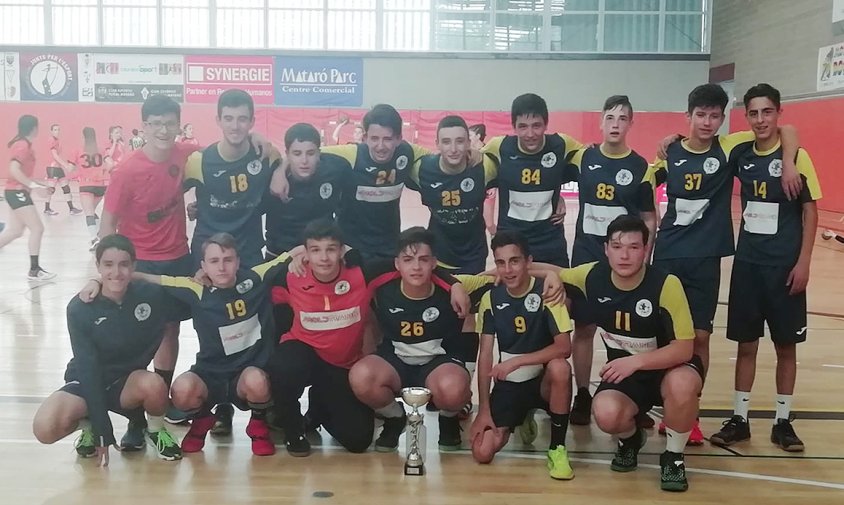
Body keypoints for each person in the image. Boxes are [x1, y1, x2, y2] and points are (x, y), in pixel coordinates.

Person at [650, 83, 802, 443]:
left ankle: (692, 413)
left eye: (715, 116)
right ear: (688, 117)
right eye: (700, 115)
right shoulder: (669, 152)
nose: (707, 122)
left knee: (700, 338)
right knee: (666, 337)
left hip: (706, 259)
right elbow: (642, 193)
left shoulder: (729, 148)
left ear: (722, 119)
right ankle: (664, 407)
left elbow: (787, 130)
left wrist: (790, 162)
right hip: (669, 255)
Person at [266, 219, 470, 456]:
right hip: (305, 356)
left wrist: (454, 284)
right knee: (285, 364)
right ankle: (293, 429)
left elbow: (413, 267)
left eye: (331, 249)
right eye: (315, 250)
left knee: (358, 440)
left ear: (343, 251)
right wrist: (287, 258)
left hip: (341, 367)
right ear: (306, 253)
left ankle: (320, 406)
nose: (324, 258)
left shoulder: (363, 272)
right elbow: (253, 282)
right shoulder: (289, 276)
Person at [710, 83, 822, 453]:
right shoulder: (740, 150)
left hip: (785, 269)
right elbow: (700, 134)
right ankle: (740, 419)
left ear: (778, 113)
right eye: (754, 113)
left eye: (767, 112)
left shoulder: (798, 156)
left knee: (785, 347)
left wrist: (804, 261)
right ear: (747, 117)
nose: (761, 120)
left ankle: (783, 422)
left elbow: (810, 211)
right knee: (746, 345)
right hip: (748, 267)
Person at [554, 215, 701, 492]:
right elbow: (543, 270)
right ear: (606, 249)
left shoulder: (666, 284)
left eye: (634, 247)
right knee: (606, 413)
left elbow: (685, 348)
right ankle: (630, 439)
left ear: (646, 250)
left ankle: (673, 457)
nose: (624, 255)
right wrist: (552, 276)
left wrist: (636, 361)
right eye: (617, 246)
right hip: (629, 374)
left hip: (670, 367)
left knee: (682, 385)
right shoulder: (592, 276)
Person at [99, 95, 203, 429]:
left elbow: (223, 154)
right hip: (141, 265)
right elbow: (107, 225)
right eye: (155, 123)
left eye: (169, 122)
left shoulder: (187, 153)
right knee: (141, 335)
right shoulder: (127, 171)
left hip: (178, 259)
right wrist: (106, 273)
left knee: (170, 329)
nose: (163, 129)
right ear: (144, 126)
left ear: (178, 125)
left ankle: (162, 398)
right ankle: (136, 416)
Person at [129, 233, 285, 456]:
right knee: (182, 391)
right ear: (203, 266)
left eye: (228, 259)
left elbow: (290, 256)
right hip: (210, 374)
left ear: (238, 261)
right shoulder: (195, 288)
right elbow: (150, 278)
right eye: (214, 261)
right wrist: (98, 281)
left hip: (245, 376)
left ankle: (257, 426)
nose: (221, 267)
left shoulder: (255, 278)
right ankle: (202, 421)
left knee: (258, 381)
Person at [32, 235, 182, 465]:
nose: (117, 272)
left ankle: (155, 430)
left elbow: (185, 290)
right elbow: (87, 368)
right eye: (108, 265)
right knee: (45, 428)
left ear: (134, 266)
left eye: (124, 264)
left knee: (154, 385)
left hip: (126, 384)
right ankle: (89, 423)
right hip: (87, 380)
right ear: (98, 267)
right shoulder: (80, 308)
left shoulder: (151, 296)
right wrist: (103, 428)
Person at [348, 227, 495, 452]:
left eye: (423, 260)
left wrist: (455, 284)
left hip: (438, 363)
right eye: (408, 260)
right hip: (394, 360)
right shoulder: (380, 283)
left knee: (454, 389)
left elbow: (500, 277)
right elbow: (342, 263)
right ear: (397, 264)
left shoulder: (457, 286)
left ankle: (448, 418)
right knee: (360, 376)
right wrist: (298, 253)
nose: (416, 267)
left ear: (435, 263)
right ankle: (395, 418)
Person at [564, 95, 658, 427]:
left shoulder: (640, 167)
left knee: (632, 329)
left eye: (622, 118)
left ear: (631, 124)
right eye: (610, 117)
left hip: (625, 260)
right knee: (585, 327)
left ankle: (636, 395)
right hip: (588, 256)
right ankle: (583, 393)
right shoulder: (582, 158)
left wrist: (645, 252)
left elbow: (649, 215)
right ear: (601, 122)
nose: (615, 124)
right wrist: (556, 205)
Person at [408, 115, 499, 416]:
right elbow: (399, 152)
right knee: (444, 317)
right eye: (446, 141)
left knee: (468, 319)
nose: (454, 148)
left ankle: (463, 389)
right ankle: (440, 382)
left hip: (472, 256)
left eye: (460, 141)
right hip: (439, 257)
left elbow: (510, 162)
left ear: (469, 142)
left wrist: (557, 201)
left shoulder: (483, 166)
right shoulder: (423, 168)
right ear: (436, 144)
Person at [470, 230, 574, 480]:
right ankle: (522, 417)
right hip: (511, 386)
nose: (508, 270)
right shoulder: (490, 299)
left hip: (543, 382)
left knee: (560, 367)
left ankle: (557, 449)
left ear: (528, 261)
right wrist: (483, 409)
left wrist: (518, 360)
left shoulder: (549, 292)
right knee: (482, 452)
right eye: (501, 263)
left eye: (514, 261)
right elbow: (485, 356)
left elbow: (564, 347)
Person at [271, 104, 431, 262]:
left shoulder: (408, 152)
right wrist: (280, 170)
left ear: (398, 139)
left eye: (387, 139)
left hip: (389, 248)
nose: (380, 146)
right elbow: (306, 151)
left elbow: (439, 160)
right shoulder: (349, 155)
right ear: (364, 137)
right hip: (350, 250)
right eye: (374, 138)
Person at [482, 93, 583, 267]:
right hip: (510, 245)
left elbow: (591, 166)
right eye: (522, 126)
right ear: (513, 127)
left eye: (536, 126)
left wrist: (558, 196)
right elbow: (471, 169)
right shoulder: (499, 147)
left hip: (550, 244)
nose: (530, 134)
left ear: (546, 125)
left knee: (560, 293)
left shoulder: (563, 145)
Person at [185, 89, 281, 269]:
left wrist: (281, 171)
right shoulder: (199, 161)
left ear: (252, 122)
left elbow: (293, 158)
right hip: (208, 256)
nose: (235, 126)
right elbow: (168, 195)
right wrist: (191, 209)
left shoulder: (266, 155)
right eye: (228, 118)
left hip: (248, 255)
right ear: (218, 121)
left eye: (242, 119)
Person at [264, 123, 345, 261]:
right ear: (287, 154)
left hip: (319, 258)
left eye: (310, 153)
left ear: (319, 153)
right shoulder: (271, 176)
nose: (304, 161)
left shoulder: (335, 169)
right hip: (280, 256)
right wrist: (280, 169)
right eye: (297, 153)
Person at [0, 114, 56, 280]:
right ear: (34, 128)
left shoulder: (25, 145)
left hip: (16, 191)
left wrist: (39, 186)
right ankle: (34, 269)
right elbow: (14, 170)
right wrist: (32, 186)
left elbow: (23, 173)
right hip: (17, 192)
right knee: (37, 228)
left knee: (15, 231)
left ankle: (34, 269)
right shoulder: (22, 146)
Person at [70, 127, 109, 250]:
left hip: (86, 185)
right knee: (93, 211)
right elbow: (111, 163)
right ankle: (99, 235)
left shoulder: (78, 151)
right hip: (100, 185)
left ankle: (94, 239)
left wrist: (63, 163)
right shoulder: (101, 150)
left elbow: (70, 169)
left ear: (83, 137)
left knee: (89, 214)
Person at [43, 123, 82, 216]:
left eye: (58, 130)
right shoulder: (51, 140)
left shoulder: (58, 141)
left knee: (66, 187)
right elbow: (55, 156)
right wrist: (65, 165)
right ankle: (47, 208)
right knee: (51, 189)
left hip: (58, 168)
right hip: (52, 168)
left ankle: (71, 209)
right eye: (55, 130)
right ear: (51, 131)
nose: (57, 131)